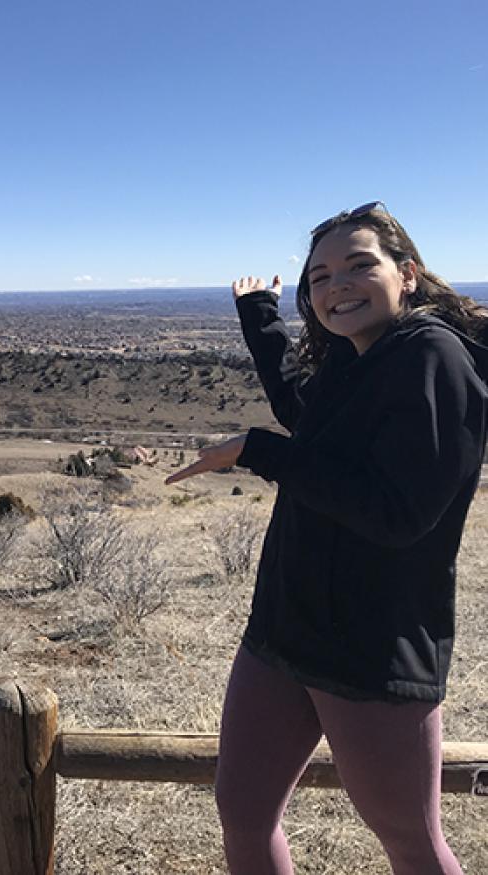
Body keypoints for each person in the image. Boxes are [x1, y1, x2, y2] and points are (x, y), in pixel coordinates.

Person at [166, 202, 486, 874]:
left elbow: (397, 513)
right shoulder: (355, 357)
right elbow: (307, 419)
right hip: (283, 627)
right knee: (243, 812)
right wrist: (259, 319)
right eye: (318, 276)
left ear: (405, 274)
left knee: (408, 838)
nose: (335, 283)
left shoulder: (433, 358)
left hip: (370, 646)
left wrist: (259, 451)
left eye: (356, 265)